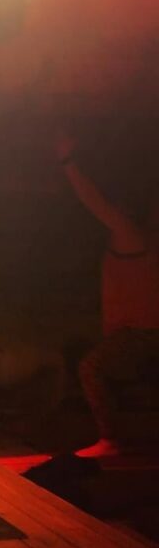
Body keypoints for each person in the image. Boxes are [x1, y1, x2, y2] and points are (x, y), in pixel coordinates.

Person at [56, 131, 159, 458]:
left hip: (139, 334)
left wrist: (68, 162)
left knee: (91, 368)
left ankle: (110, 439)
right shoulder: (143, 238)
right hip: (137, 332)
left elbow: (95, 203)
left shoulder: (130, 235)